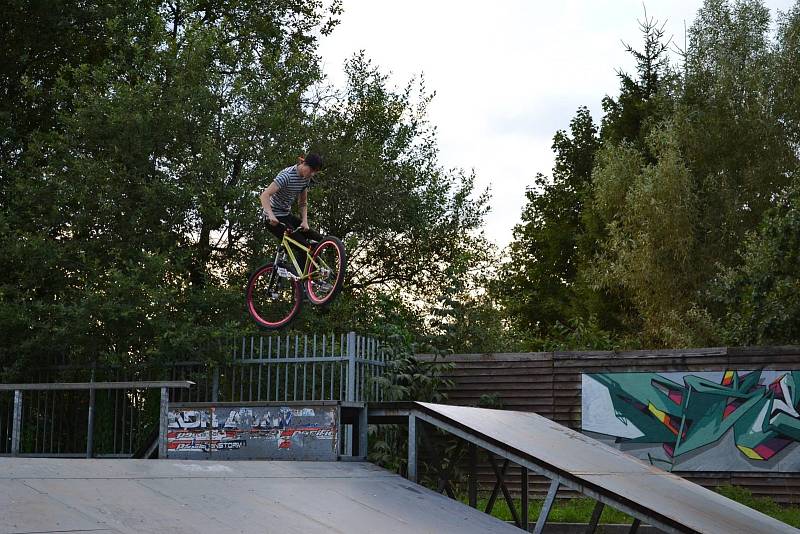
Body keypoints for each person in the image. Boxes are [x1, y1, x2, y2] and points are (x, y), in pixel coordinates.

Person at [259, 153, 324, 271]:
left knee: (320, 240)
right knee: (303, 246)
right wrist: (271, 215)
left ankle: (314, 277)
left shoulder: (305, 179)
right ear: (304, 164)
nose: (312, 174)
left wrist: (305, 221)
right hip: (273, 219)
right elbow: (264, 195)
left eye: (315, 172)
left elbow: (302, 203)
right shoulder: (287, 176)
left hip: (286, 215)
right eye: (312, 170)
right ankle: (301, 282)